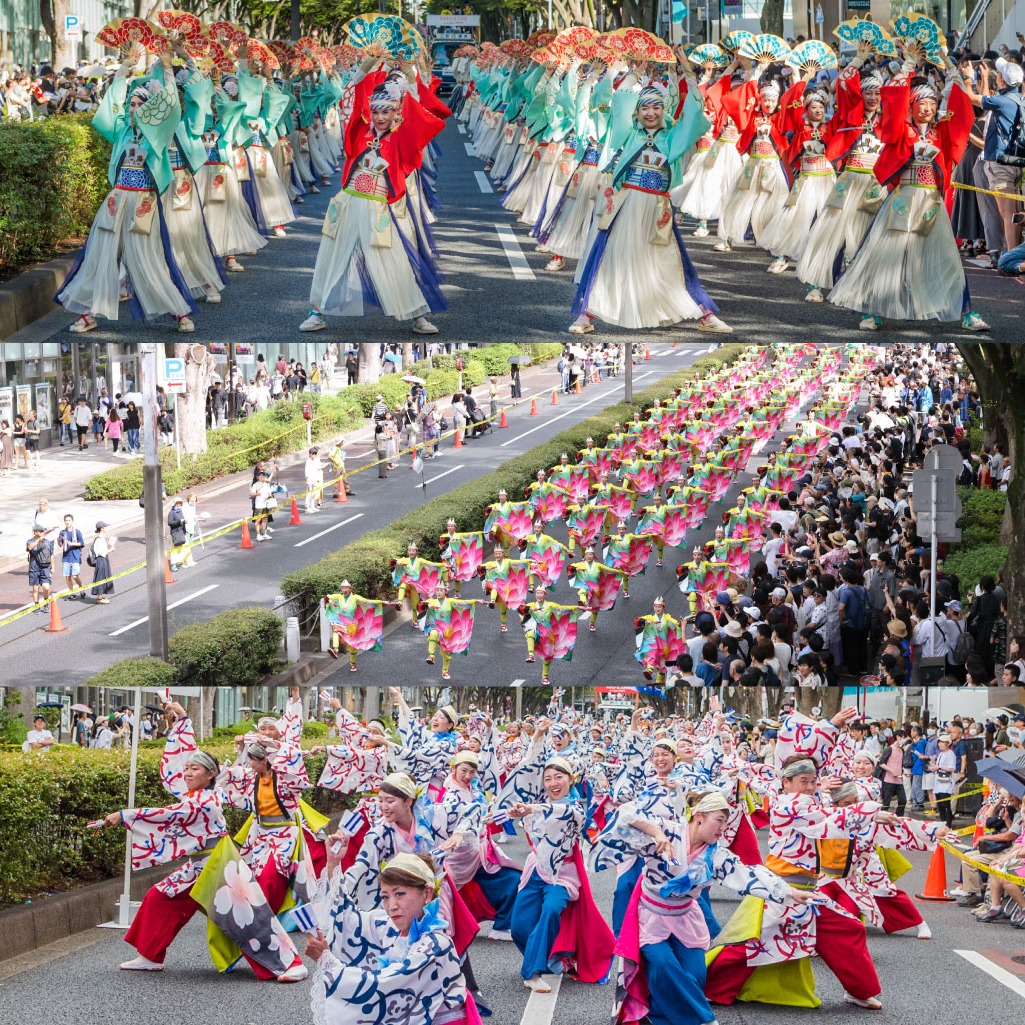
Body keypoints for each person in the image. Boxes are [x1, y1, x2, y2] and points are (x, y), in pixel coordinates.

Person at [101, 705, 307, 981]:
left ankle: (291, 963)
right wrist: (182, 720)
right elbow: (184, 762)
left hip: (219, 867)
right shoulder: (196, 795)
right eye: (186, 769)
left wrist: (125, 816)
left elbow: (170, 814)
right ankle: (150, 955)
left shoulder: (207, 800)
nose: (186, 773)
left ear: (210, 775)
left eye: (194, 769)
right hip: (198, 866)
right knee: (160, 897)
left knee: (248, 916)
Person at [309, 852, 473, 1025]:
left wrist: (327, 962)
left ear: (426, 894)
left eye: (399, 894)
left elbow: (383, 984)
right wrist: (333, 863)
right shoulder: (393, 927)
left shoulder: (437, 944)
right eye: (385, 897)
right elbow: (348, 920)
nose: (391, 906)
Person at [57, 513, 86, 599]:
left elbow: (82, 543)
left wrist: (72, 544)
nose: (67, 522)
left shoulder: (77, 532)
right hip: (66, 556)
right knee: (67, 576)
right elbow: (60, 545)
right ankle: (72, 593)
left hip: (75, 556)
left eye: (69, 520)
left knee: (75, 575)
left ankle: (81, 587)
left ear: (72, 521)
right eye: (66, 520)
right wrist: (58, 541)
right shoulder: (62, 532)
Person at [26, 525, 53, 609]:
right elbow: (30, 547)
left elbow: (51, 554)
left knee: (46, 587)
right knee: (35, 588)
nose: (42, 533)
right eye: (40, 531)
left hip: (45, 567)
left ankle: (46, 602)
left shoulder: (47, 542)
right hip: (34, 567)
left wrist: (53, 567)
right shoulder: (30, 541)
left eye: (43, 531)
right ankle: (37, 605)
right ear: (35, 532)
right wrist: (38, 541)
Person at [89, 521, 115, 604]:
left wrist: (110, 544)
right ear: (102, 529)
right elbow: (102, 553)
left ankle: (100, 596)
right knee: (101, 577)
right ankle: (100, 598)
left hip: (102, 560)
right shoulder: (100, 539)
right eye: (105, 527)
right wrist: (111, 549)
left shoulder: (100, 538)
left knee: (102, 577)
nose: (106, 528)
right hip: (101, 560)